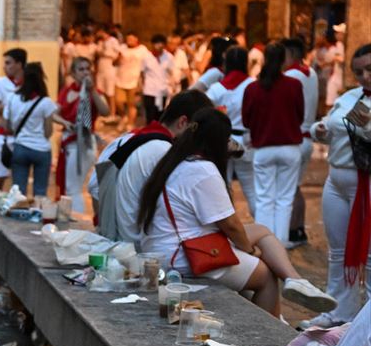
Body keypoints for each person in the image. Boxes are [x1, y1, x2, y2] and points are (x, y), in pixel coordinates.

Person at [135, 108, 337, 318]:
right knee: (264, 275)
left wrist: (247, 248)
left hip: (168, 247)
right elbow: (230, 224)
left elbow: (228, 225)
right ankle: (270, 337)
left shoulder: (174, 162)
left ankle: (295, 280)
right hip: (184, 255)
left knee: (261, 230)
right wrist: (249, 251)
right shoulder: (202, 169)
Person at [304, 42, 371, 328]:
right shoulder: (349, 97)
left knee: (368, 254)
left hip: (366, 181)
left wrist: (365, 126)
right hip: (337, 178)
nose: (364, 77)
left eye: (369, 70)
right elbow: (328, 129)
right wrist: (318, 129)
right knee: (338, 251)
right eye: (359, 72)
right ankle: (338, 310)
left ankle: (366, 317)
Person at [106, 89, 215, 243]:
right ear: (183, 122)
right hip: (142, 242)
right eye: (198, 131)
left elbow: (95, 186)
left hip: (123, 235)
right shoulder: (164, 150)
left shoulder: (131, 137)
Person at [243, 42, 305, 244]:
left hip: (263, 148)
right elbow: (300, 115)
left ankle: (265, 243)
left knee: (264, 199)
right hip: (290, 146)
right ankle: (281, 242)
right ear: (284, 60)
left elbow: (246, 120)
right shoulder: (294, 85)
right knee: (285, 199)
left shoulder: (252, 88)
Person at [205, 46, 257, 213]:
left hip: (221, 141)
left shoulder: (216, 89)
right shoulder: (253, 85)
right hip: (247, 140)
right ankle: (264, 230)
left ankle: (228, 230)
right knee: (251, 189)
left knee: (223, 189)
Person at [55, 56, 108, 215]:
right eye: (81, 69)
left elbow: (105, 111)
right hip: (67, 140)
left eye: (87, 69)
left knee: (74, 188)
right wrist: (65, 123)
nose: (85, 72)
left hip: (83, 142)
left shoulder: (93, 92)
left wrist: (92, 91)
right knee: (68, 186)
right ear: (73, 73)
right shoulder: (66, 91)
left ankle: (75, 220)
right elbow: (53, 113)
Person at [283, 37, 321, 249]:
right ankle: (297, 229)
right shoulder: (311, 73)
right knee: (295, 186)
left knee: (289, 189)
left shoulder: (290, 75)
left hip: (295, 137)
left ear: (291, 54)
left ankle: (291, 229)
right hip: (307, 136)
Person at [4, 63, 59, 198]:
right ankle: (36, 215)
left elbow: (7, 126)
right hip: (41, 150)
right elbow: (48, 132)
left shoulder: (12, 97)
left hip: (20, 147)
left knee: (18, 193)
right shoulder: (45, 102)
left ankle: (17, 217)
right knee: (40, 193)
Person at [0, 48, 26, 189]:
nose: (5, 67)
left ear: (19, 64)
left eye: (8, 63)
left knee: (19, 182)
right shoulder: (0, 83)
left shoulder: (28, 83)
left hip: (23, 138)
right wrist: (14, 105)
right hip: (3, 135)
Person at [116, 32, 149, 131]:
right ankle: (123, 117)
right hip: (120, 79)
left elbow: (147, 64)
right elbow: (115, 62)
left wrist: (143, 80)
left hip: (134, 80)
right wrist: (118, 59)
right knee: (118, 102)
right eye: (127, 39)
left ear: (136, 39)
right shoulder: (122, 47)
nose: (128, 41)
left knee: (131, 104)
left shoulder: (142, 49)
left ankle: (130, 123)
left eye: (131, 39)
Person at [140, 34, 175, 126]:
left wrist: (172, 85)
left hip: (162, 90)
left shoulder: (169, 57)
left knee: (160, 116)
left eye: (161, 43)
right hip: (149, 90)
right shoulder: (146, 57)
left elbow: (171, 72)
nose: (159, 46)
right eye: (157, 43)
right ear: (152, 44)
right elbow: (142, 73)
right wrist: (142, 86)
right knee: (150, 116)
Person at [97, 27, 121, 120]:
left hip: (109, 67)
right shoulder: (100, 42)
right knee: (101, 91)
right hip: (101, 67)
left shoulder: (113, 41)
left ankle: (112, 113)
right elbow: (98, 53)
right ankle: (103, 112)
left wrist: (114, 61)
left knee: (110, 92)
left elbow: (118, 53)